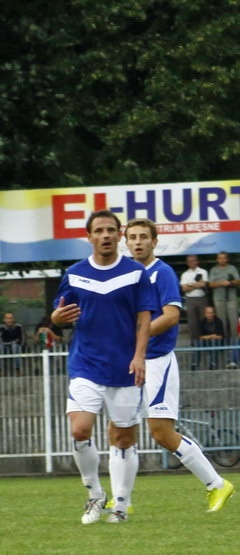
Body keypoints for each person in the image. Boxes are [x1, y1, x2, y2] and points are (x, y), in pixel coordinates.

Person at [123, 218, 234, 512]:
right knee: (121, 429)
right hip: (130, 361)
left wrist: (136, 337)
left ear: (154, 241)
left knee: (161, 432)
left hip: (157, 360)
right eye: (132, 236)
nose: (137, 242)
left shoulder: (163, 273)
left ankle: (217, 484)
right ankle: (122, 501)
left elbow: (171, 317)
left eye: (143, 237)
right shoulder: (125, 274)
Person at [50, 210, 154, 524]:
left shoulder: (136, 273)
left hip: (123, 369)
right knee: (80, 429)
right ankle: (95, 494)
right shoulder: (75, 272)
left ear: (119, 234)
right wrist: (56, 319)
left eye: (111, 230)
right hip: (85, 366)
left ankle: (120, 507)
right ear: (90, 236)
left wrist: (138, 357)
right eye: (99, 230)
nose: (105, 235)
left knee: (123, 439)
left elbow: (145, 319)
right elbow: (59, 313)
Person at [180, 254, 209, 368]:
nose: (192, 262)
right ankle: (194, 343)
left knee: (203, 321)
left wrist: (191, 285)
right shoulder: (185, 274)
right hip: (190, 299)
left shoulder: (203, 271)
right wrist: (197, 285)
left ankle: (205, 343)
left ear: (197, 261)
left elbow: (203, 284)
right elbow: (184, 288)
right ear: (187, 263)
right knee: (192, 323)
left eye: (194, 260)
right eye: (190, 261)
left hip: (202, 298)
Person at [208, 251, 240, 343]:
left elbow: (238, 281)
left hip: (231, 298)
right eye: (220, 258)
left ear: (227, 259)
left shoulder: (232, 268)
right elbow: (210, 284)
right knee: (221, 321)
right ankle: (223, 342)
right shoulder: (214, 270)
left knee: (234, 321)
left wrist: (230, 283)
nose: (222, 260)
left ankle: (235, 342)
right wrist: (221, 283)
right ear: (217, 259)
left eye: (224, 258)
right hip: (219, 298)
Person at [198, 305, 225, 369]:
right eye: (208, 313)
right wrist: (212, 336)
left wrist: (208, 337)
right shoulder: (202, 322)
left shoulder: (218, 321)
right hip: (205, 342)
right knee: (198, 344)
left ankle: (213, 363)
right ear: (205, 314)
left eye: (211, 313)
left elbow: (220, 336)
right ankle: (195, 363)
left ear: (214, 313)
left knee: (214, 343)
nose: (210, 314)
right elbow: (200, 337)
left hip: (217, 342)